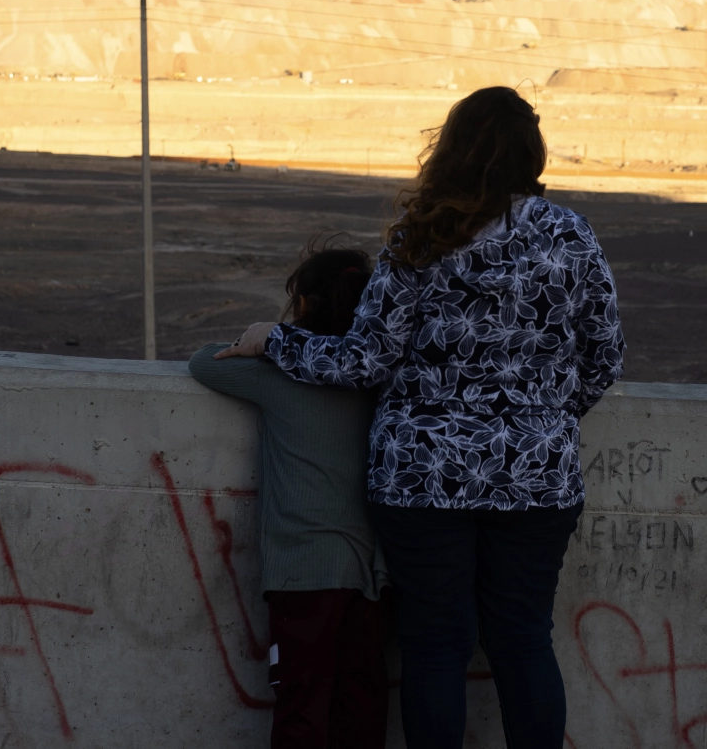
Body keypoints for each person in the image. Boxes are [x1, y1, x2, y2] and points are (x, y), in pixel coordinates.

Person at [219, 86, 625, 749]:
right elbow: (605, 355)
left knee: (436, 647)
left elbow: (364, 360)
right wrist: (538, 419)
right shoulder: (571, 237)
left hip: (421, 481)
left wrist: (279, 339)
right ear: (532, 151)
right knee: (523, 642)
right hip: (536, 479)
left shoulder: (423, 238)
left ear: (453, 150)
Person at [189, 246, 391, 749]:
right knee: (360, 706)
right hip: (373, 573)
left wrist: (269, 339)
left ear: (303, 304)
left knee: (301, 707)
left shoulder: (277, 372)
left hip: (304, 574)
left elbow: (203, 363)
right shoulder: (378, 375)